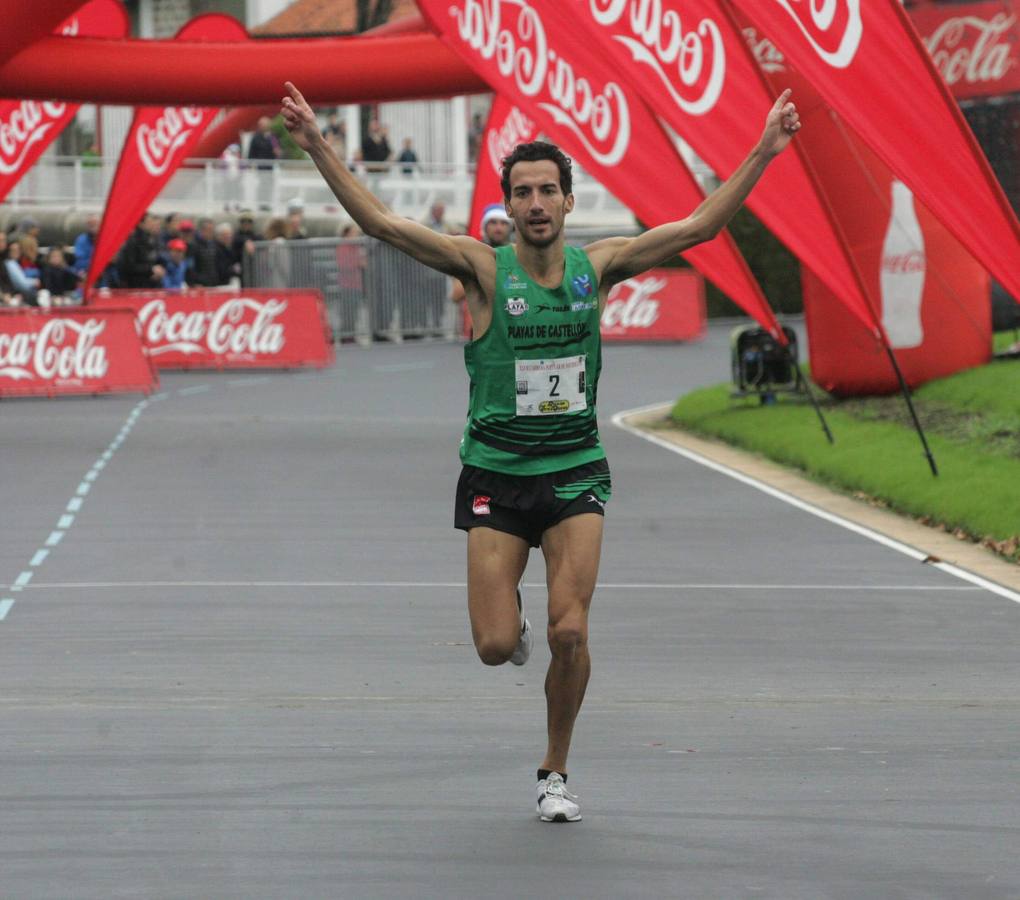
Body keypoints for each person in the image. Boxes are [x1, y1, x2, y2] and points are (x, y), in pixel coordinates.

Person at [281, 80, 801, 823]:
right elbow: (383, 224)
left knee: (571, 628)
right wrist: (317, 145)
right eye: (521, 191)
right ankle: (514, 626)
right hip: (495, 472)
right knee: (497, 647)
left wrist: (765, 150)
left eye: (546, 190)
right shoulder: (484, 270)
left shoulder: (600, 267)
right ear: (508, 206)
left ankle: (555, 770)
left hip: (574, 470)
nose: (534, 203)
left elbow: (696, 228)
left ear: (567, 202)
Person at [115, 212, 166, 289]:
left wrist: (158, 271)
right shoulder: (133, 242)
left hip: (151, 284)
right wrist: (151, 269)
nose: (152, 224)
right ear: (141, 224)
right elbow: (129, 267)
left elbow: (154, 261)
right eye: (149, 222)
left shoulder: (152, 240)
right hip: (135, 286)